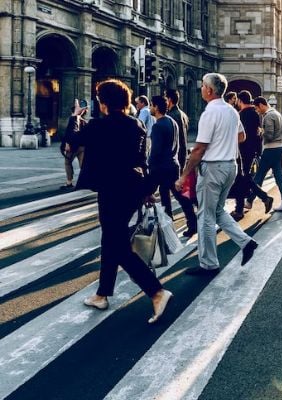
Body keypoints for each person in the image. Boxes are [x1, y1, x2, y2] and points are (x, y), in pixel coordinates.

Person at [68, 81, 172, 323]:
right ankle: (102, 294)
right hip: (133, 188)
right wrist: (147, 190)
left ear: (103, 103)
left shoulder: (98, 126)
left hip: (111, 190)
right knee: (111, 238)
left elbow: (72, 140)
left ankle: (156, 292)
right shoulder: (136, 124)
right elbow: (141, 159)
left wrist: (75, 117)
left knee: (118, 246)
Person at [175, 73, 258, 275]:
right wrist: (224, 143)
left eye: (203, 85)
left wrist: (184, 175)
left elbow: (199, 149)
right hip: (230, 166)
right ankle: (246, 242)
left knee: (205, 217)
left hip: (213, 168)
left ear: (209, 90)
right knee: (218, 211)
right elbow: (242, 136)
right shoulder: (231, 111)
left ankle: (208, 264)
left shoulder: (209, 113)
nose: (201, 88)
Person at [149, 95, 197, 237]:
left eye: (151, 105)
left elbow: (155, 151)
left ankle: (170, 227)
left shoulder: (158, 126)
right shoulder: (172, 121)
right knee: (173, 196)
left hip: (161, 167)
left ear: (156, 107)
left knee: (147, 195)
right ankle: (187, 223)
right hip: (173, 164)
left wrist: (149, 166)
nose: (150, 108)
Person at [231, 90, 273, 220]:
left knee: (243, 178)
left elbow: (238, 135)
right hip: (251, 151)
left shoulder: (240, 115)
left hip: (242, 151)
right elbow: (258, 133)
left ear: (239, 100)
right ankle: (240, 208)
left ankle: (264, 197)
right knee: (242, 178)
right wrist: (257, 151)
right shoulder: (256, 114)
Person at [248, 96, 282, 212]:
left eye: (257, 109)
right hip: (279, 148)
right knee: (279, 177)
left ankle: (249, 201)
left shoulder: (268, 116)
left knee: (259, 176)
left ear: (261, 105)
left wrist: (261, 132)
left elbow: (270, 135)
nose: (257, 111)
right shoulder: (277, 113)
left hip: (270, 150)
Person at [60, 103, 87, 190]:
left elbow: (69, 133)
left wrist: (67, 143)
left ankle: (69, 182)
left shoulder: (72, 120)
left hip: (72, 146)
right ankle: (85, 182)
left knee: (67, 163)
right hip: (82, 146)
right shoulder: (84, 122)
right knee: (82, 165)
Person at [164, 89, 190, 175]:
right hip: (182, 155)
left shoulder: (171, 116)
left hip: (174, 157)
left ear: (169, 99)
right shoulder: (183, 114)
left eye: (165, 97)